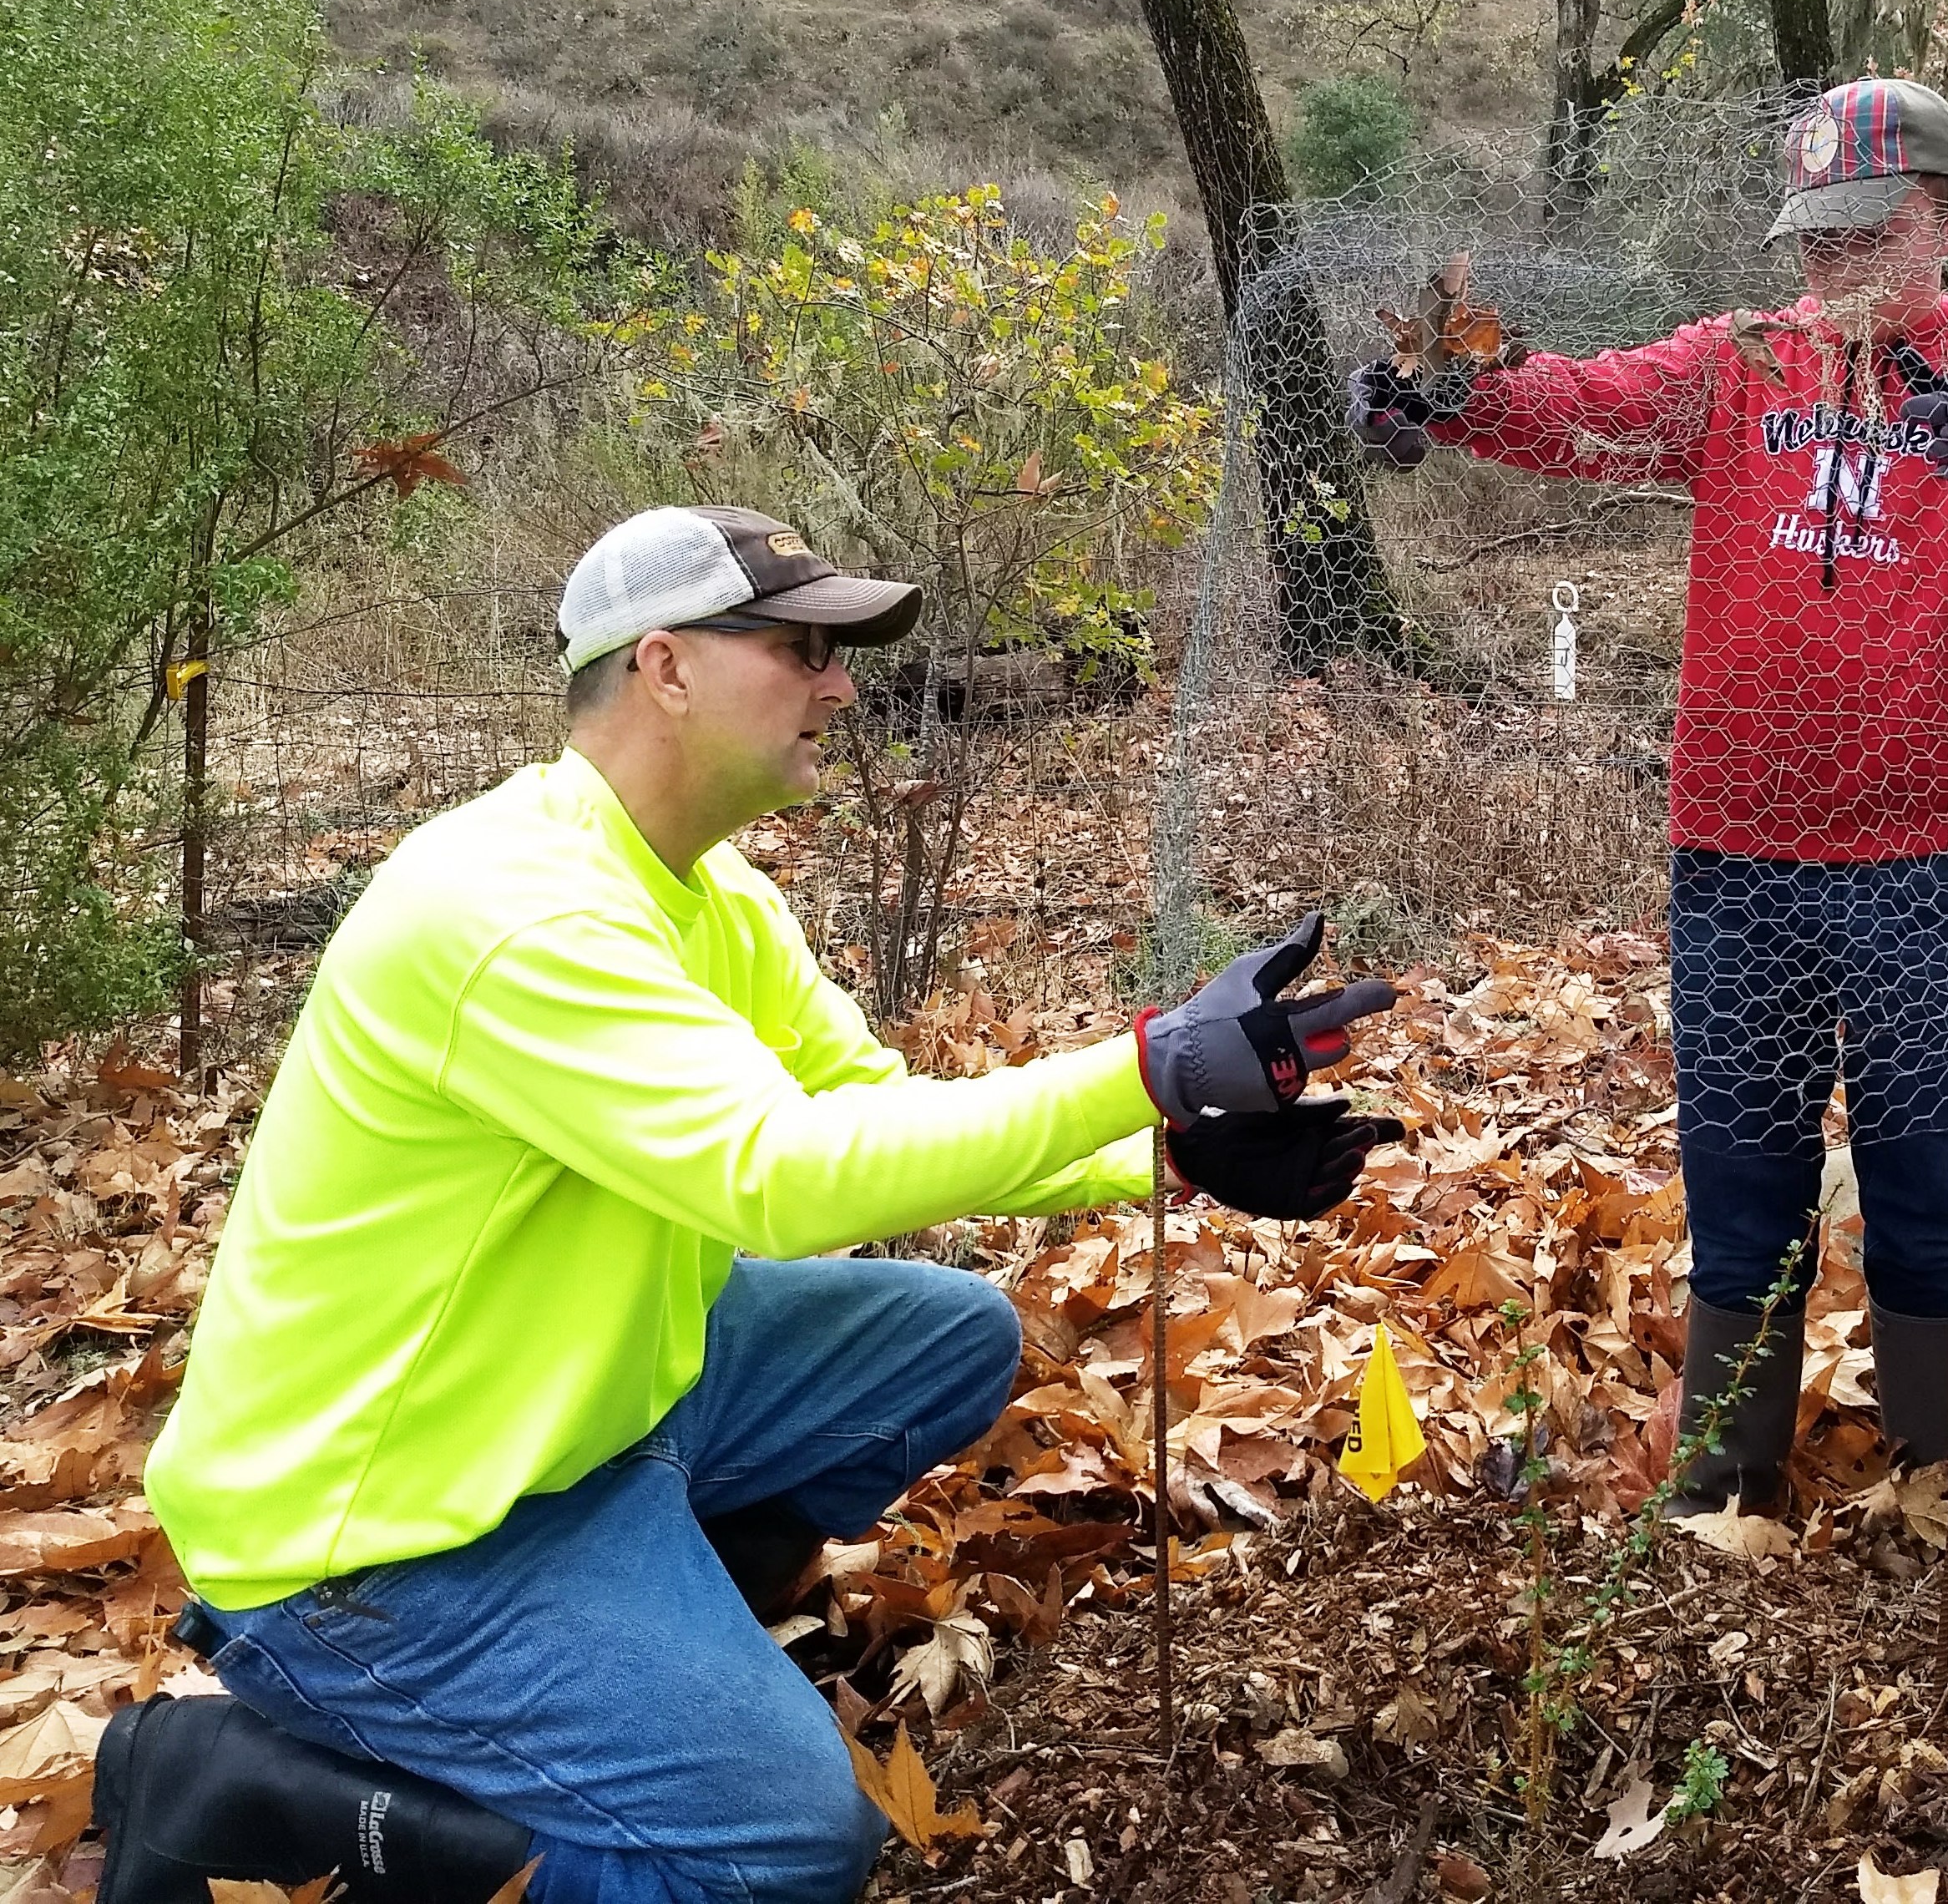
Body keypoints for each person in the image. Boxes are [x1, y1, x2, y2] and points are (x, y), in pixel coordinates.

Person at [101, 505, 1402, 1904]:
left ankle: (637, 1645)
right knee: (778, 1847)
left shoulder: (706, 894)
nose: (840, 683)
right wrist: (1140, 1065)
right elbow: (775, 1176)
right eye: (799, 648)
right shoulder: (512, 910)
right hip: (382, 1537)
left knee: (948, 1337)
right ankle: (253, 1789)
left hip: (579, 1415)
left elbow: (868, 1102)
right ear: (664, 666)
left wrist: (1166, 1148)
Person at [1350, 79, 1948, 1579]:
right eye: (1815, 232)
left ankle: (1938, 1493)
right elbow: (1583, 409)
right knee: (1742, 1173)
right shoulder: (1736, 364)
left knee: (1923, 1180)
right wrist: (1456, 397)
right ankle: (1723, 1491)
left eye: (1872, 229)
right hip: (1739, 862)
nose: (1836, 261)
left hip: (1926, 864)